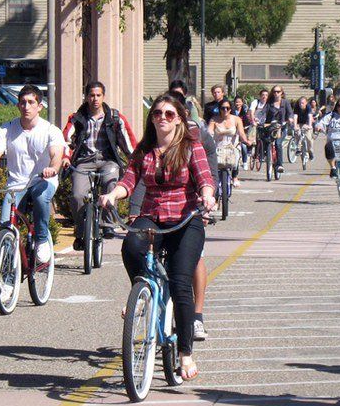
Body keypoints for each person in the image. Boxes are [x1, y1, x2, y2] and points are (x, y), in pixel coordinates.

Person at [100, 94, 216, 380]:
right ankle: (142, 290)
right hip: (152, 215)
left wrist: (207, 195)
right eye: (156, 114)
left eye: (168, 114)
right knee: (131, 246)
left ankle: (186, 353)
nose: (161, 118)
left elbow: (205, 178)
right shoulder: (145, 150)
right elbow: (129, 179)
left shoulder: (191, 147)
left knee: (179, 282)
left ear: (179, 119)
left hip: (186, 219)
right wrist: (114, 193)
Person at [0, 85, 64, 263]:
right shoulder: (6, 130)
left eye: (31, 102)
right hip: (16, 184)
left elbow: (56, 155)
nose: (26, 106)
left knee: (40, 197)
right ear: (18, 106)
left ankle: (41, 240)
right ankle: (7, 272)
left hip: (43, 180)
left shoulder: (50, 131)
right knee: (6, 226)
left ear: (40, 106)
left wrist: (52, 169)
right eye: (22, 102)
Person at [62, 81, 138, 250]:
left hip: (107, 160)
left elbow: (128, 142)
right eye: (91, 95)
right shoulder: (77, 118)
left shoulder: (115, 118)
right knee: (77, 195)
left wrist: (134, 160)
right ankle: (81, 232)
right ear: (86, 97)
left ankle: (107, 223)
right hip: (83, 161)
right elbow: (66, 140)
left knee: (111, 183)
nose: (95, 99)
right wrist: (66, 157)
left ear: (103, 97)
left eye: (98, 95)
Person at [209, 98, 252, 188]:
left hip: (232, 146)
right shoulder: (214, 119)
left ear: (230, 109)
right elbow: (209, 132)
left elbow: (241, 133)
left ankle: (234, 176)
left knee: (236, 156)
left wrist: (246, 141)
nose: (225, 110)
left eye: (227, 108)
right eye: (223, 108)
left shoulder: (236, 119)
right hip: (218, 146)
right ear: (219, 109)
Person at [261, 86, 292, 174]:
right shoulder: (269, 103)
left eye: (278, 92)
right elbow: (263, 112)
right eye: (274, 92)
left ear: (281, 93)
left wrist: (290, 119)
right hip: (270, 127)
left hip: (281, 128)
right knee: (265, 139)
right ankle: (266, 155)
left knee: (278, 143)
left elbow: (290, 113)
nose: (276, 93)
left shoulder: (285, 102)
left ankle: (279, 165)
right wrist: (256, 118)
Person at [292, 96, 315, 161]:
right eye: (300, 103)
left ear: (306, 103)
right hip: (299, 123)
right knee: (297, 134)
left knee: (309, 139)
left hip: (307, 123)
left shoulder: (308, 107)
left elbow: (310, 116)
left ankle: (310, 152)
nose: (301, 104)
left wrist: (310, 126)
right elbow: (295, 116)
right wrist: (295, 126)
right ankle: (298, 149)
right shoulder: (297, 107)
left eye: (302, 103)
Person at [231, 96, 251, 167]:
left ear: (242, 103)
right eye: (236, 102)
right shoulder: (231, 111)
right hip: (233, 132)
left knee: (243, 146)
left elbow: (247, 122)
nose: (238, 103)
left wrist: (246, 127)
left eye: (239, 102)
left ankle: (245, 161)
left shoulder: (244, 111)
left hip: (242, 132)